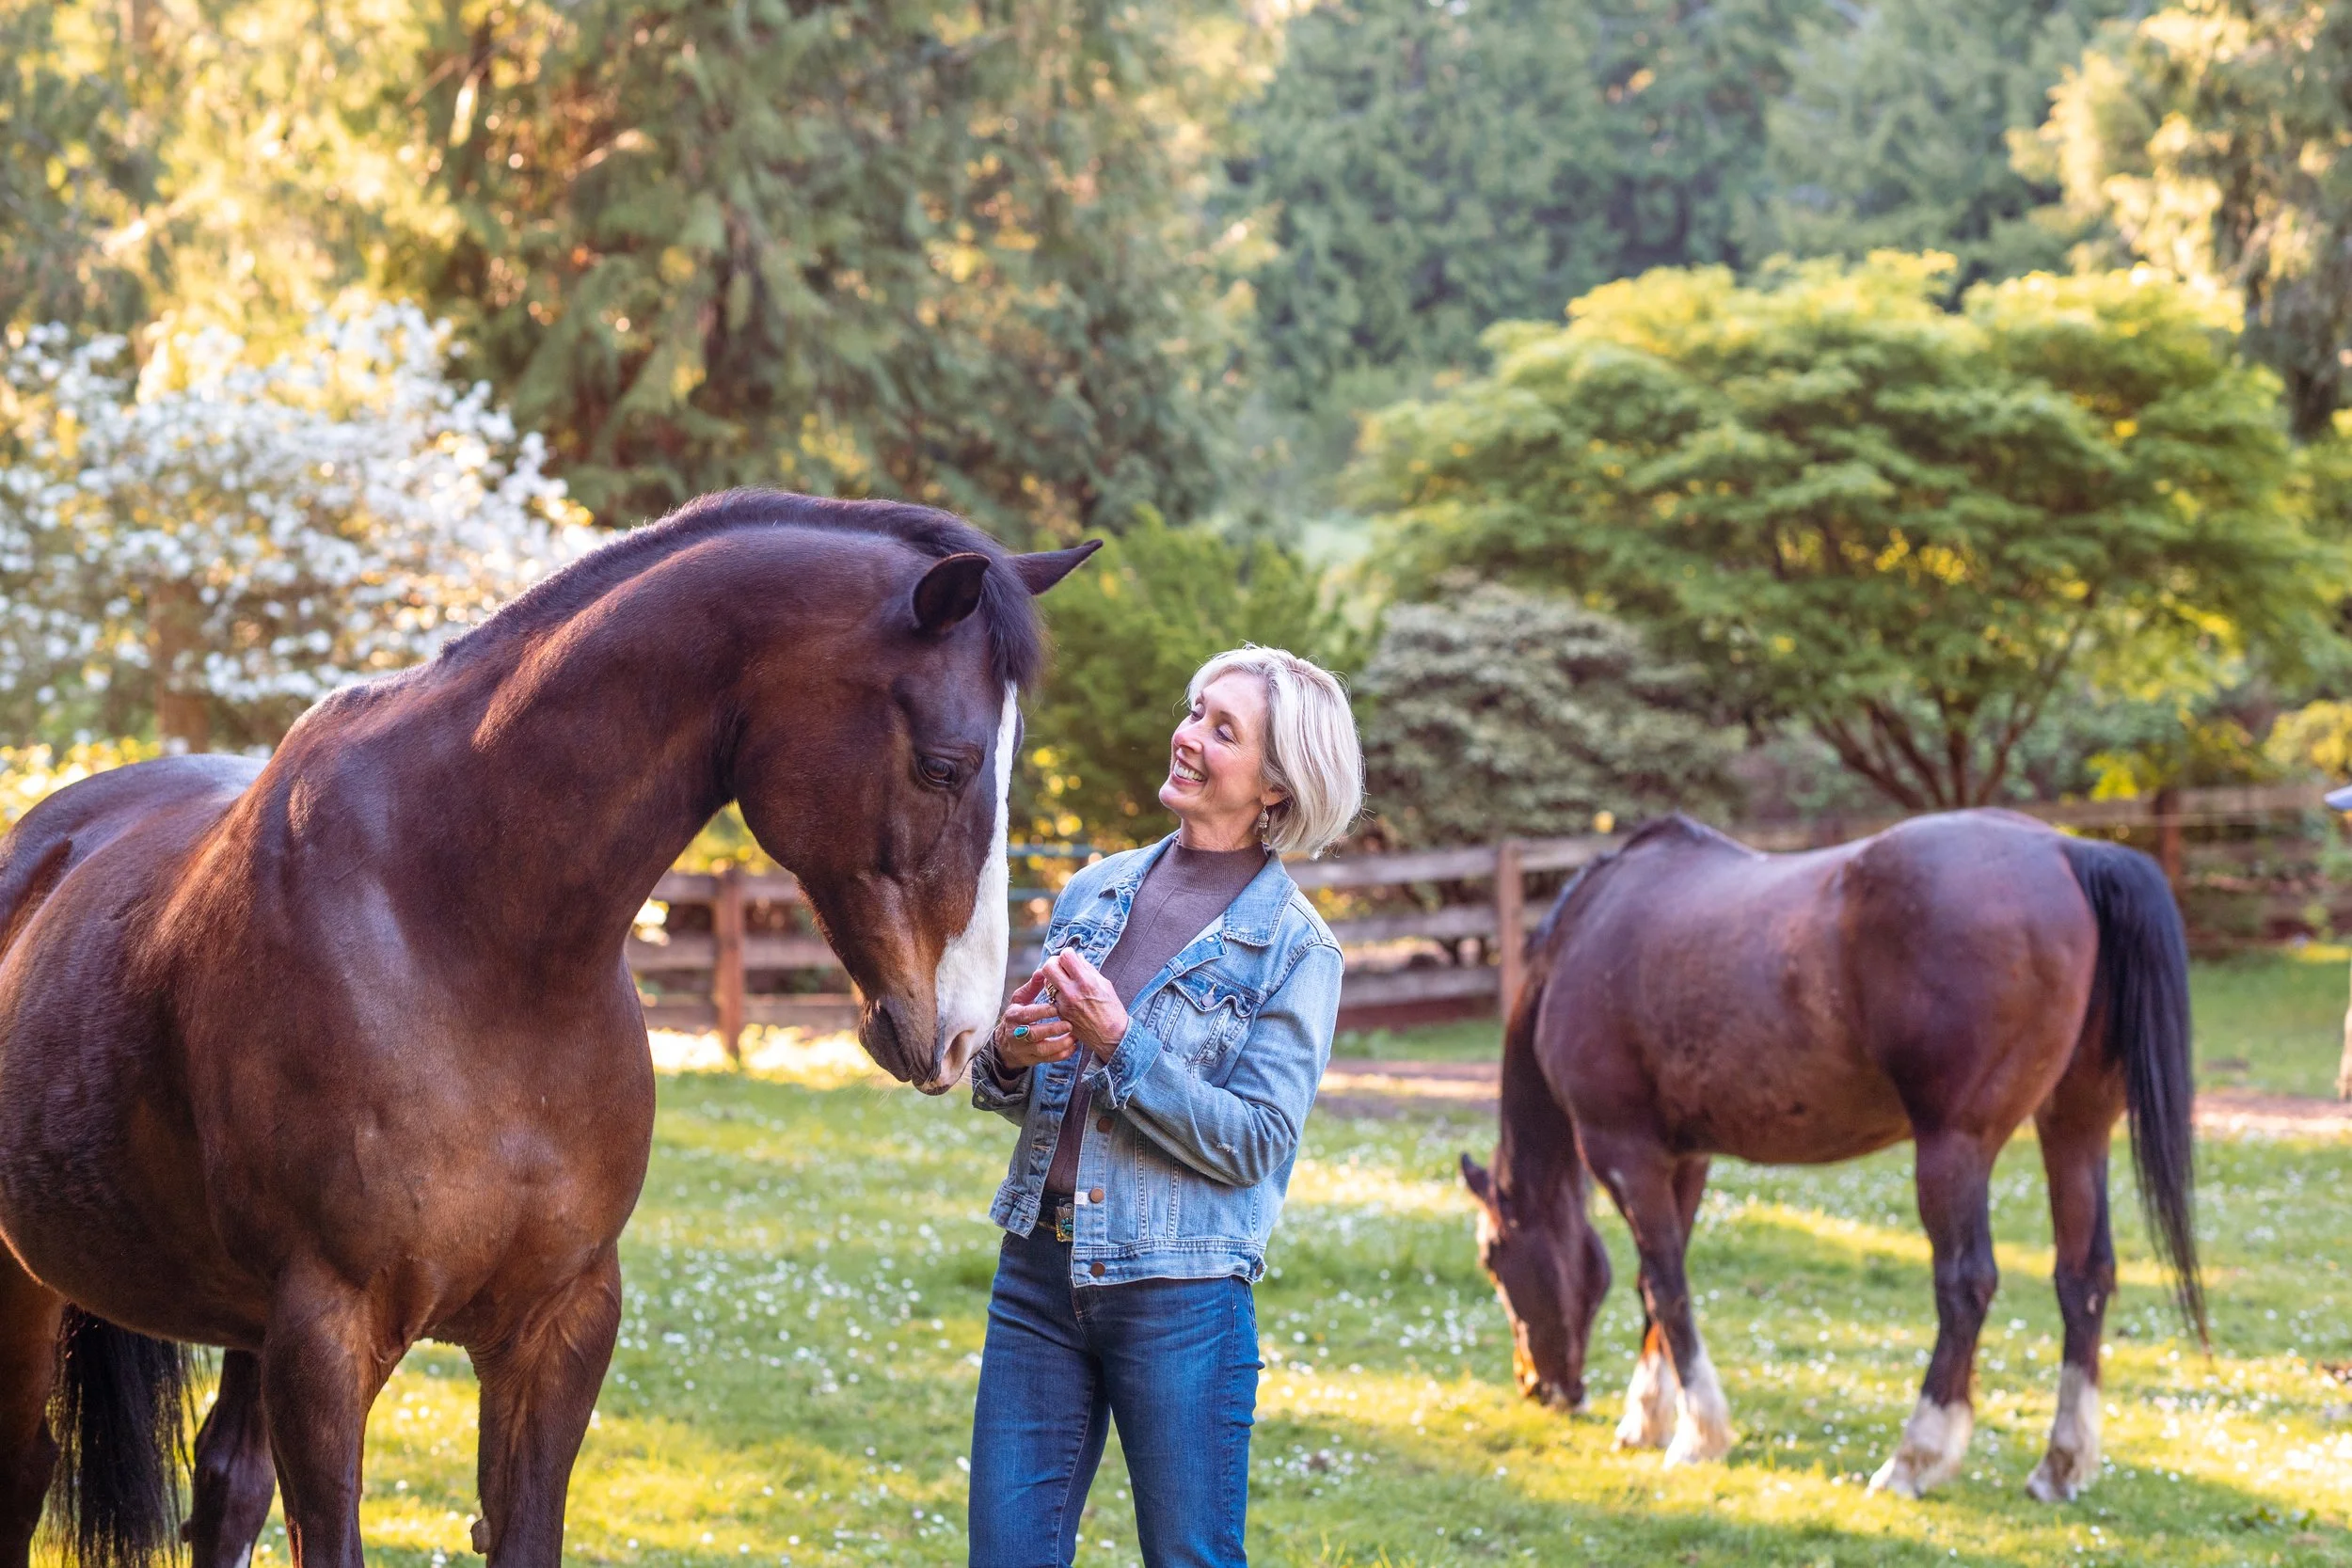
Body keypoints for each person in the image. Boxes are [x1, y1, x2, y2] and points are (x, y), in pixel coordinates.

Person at [965, 646, 1361, 1568]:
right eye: (1194, 712)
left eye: (1223, 729)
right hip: (1036, 1269)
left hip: (1179, 1293)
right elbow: (1012, 1082)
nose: (1187, 736)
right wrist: (1012, 1055)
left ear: (1274, 784)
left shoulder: (1294, 950)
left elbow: (1255, 1141)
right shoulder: (1092, 891)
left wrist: (1120, 1042)